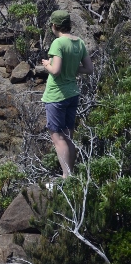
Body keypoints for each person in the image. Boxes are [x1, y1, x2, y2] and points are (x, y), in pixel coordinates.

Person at [41, 10, 94, 179]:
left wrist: (46, 65)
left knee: (58, 139)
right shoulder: (79, 42)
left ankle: (66, 177)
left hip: (56, 96)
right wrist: (71, 68)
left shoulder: (58, 43)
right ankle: (71, 175)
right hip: (73, 94)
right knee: (68, 136)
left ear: (54, 26)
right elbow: (89, 69)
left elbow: (55, 71)